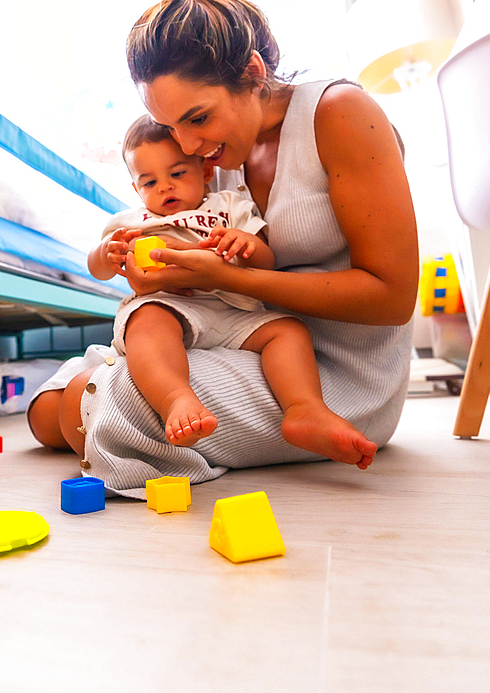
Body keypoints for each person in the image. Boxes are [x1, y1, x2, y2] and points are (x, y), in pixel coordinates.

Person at [27, 0, 418, 498]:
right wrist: (163, 271)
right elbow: (192, 246)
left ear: (254, 75)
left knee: (120, 397)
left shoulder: (339, 114)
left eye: (198, 118)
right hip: (229, 338)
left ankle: (120, 405)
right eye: (173, 126)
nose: (186, 147)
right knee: (50, 403)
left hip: (330, 374)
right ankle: (107, 397)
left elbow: (391, 297)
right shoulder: (215, 159)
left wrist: (230, 276)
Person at [87, 113, 378, 467]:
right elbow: (99, 269)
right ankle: (177, 398)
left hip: (234, 310)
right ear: (136, 188)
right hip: (171, 306)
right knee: (146, 322)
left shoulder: (228, 207)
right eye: (149, 182)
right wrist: (105, 254)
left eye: (177, 174)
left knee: (287, 330)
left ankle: (305, 409)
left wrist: (247, 243)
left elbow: (265, 263)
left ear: (205, 172)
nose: (164, 187)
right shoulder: (132, 222)